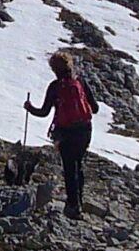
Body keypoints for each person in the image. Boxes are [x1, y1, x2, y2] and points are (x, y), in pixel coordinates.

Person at [25, 51, 97, 219]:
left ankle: (73, 206)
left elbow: (44, 112)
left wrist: (29, 107)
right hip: (85, 129)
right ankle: (78, 203)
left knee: (70, 168)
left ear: (54, 69)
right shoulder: (80, 82)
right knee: (78, 165)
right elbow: (95, 108)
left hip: (66, 132)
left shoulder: (55, 86)